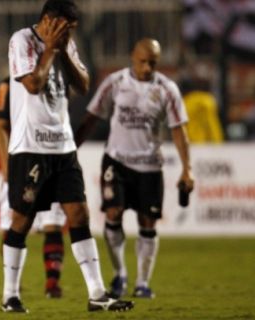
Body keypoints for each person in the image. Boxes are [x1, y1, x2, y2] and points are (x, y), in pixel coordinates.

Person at [1, 0, 134, 313]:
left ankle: (97, 293)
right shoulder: (22, 41)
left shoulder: (66, 46)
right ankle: (10, 295)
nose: (69, 34)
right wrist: (49, 49)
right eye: (65, 28)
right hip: (30, 146)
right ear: (48, 20)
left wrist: (61, 50)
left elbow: (84, 84)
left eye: (72, 30)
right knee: (22, 219)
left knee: (79, 214)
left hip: (63, 147)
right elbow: (33, 84)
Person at [75, 38, 195, 299]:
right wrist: (71, 149)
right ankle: (120, 274)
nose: (147, 67)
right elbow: (92, 118)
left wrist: (188, 169)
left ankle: (142, 282)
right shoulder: (114, 83)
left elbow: (179, 131)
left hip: (150, 165)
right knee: (113, 213)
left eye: (153, 62)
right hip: (116, 161)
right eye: (143, 61)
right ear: (132, 57)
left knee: (148, 222)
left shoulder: (167, 89)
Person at [0, 77, 66, 298]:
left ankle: (52, 284)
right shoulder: (7, 85)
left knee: (52, 224)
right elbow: (1, 126)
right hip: (21, 162)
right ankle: (12, 286)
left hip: (53, 160)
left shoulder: (57, 80)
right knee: (14, 225)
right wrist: (6, 167)